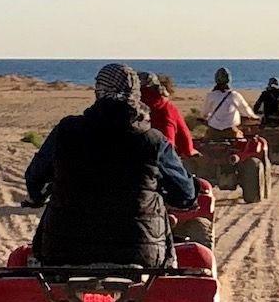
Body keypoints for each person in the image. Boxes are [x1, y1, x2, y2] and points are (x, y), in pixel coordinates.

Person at [24, 63, 199, 272]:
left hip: (61, 252)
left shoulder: (66, 130)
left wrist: (39, 194)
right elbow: (186, 194)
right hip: (141, 255)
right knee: (168, 274)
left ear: (98, 91)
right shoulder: (154, 141)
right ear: (136, 94)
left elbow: (34, 178)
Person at [141, 73, 196, 158]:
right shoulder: (167, 107)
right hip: (164, 156)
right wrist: (189, 151)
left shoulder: (132, 107)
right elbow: (184, 136)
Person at [203, 67, 256, 139]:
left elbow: (204, 113)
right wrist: (254, 117)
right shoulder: (234, 95)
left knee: (205, 142)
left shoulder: (210, 95)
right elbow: (247, 112)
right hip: (231, 132)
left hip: (213, 131)